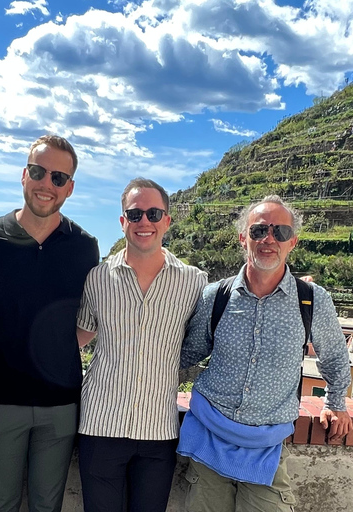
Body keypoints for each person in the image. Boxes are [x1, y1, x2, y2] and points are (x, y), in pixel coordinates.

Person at [178, 195, 352, 512]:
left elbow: (334, 356)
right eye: (259, 231)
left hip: (266, 446)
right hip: (209, 436)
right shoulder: (215, 296)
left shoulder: (312, 300)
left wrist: (336, 402)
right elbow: (187, 354)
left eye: (279, 232)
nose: (268, 239)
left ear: (292, 242)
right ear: (243, 237)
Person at [0, 134, 100, 512]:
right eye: (39, 171)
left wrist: (57, 348)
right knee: (0, 504)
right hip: (1, 399)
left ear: (69, 187)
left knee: (46, 506)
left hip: (60, 402)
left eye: (58, 177)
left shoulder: (84, 246)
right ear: (24, 174)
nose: (46, 184)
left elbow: (93, 318)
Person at [76, 178, 207, 512]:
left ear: (167, 220)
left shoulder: (195, 282)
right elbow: (78, 336)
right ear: (122, 222)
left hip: (158, 429)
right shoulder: (97, 278)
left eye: (153, 213)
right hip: (100, 424)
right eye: (134, 214)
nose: (144, 221)